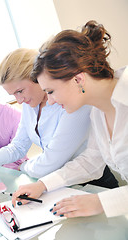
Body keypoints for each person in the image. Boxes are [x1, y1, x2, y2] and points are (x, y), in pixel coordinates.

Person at [11, 20, 127, 218]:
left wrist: (102, 202)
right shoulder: (97, 111)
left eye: (51, 91)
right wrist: (42, 185)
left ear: (78, 79)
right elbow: (91, 160)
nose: (52, 101)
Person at [0, 48, 118, 187]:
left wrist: (23, 167)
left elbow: (53, 160)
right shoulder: (29, 105)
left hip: (91, 183)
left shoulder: (70, 103)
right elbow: (18, 146)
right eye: (13, 95)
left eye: (20, 91)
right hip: (57, 183)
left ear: (37, 78)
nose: (18, 100)